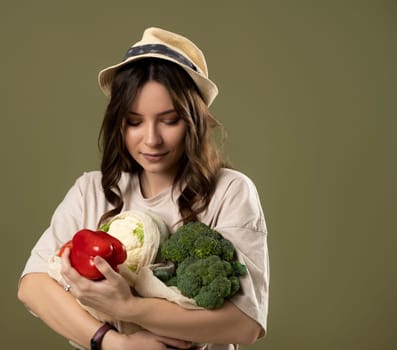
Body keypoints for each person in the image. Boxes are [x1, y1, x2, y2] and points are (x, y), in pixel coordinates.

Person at [17, 27, 269, 350]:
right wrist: (114, 343)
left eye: (169, 120)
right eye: (135, 122)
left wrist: (127, 307)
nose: (151, 139)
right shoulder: (91, 191)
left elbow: (244, 324)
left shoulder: (230, 193)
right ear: (118, 122)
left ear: (194, 120)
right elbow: (33, 286)